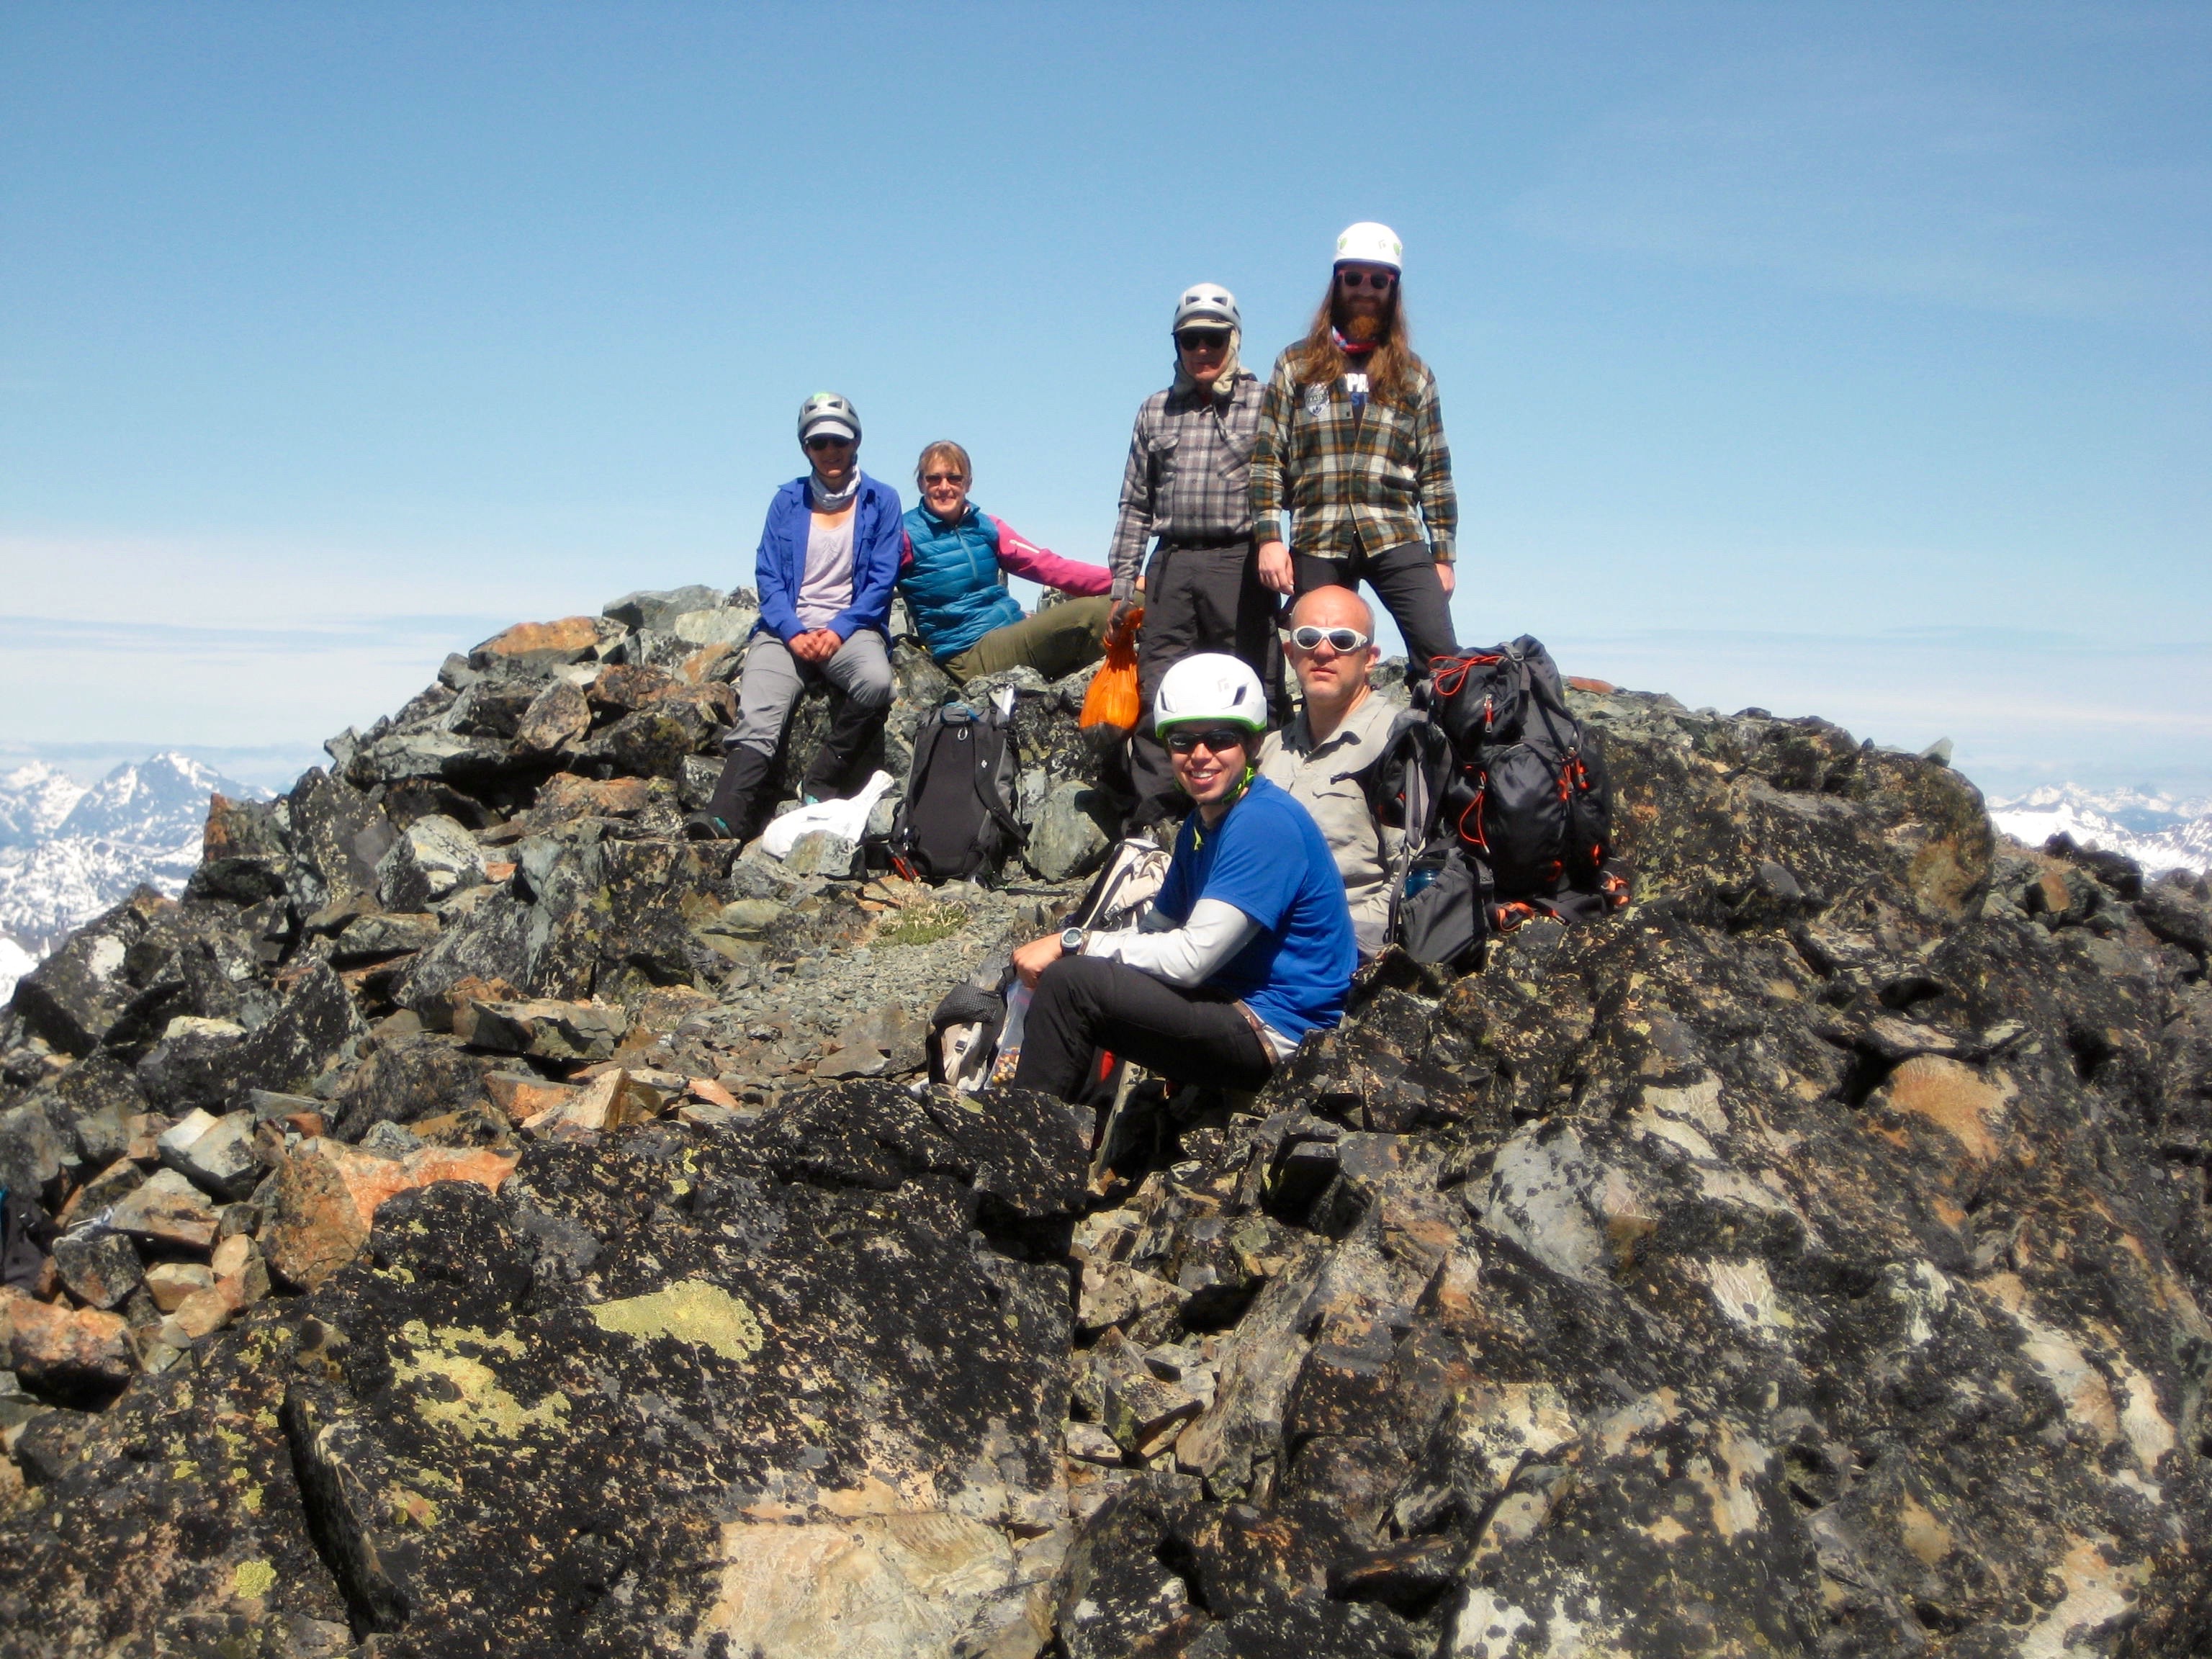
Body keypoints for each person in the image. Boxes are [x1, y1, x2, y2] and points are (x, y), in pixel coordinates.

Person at [1010, 654, 1355, 1101]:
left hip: (1280, 1030)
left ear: (1251, 746)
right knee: (1085, 975)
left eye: (1220, 739)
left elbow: (1191, 960)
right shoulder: (1201, 823)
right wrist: (1085, 952)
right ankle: (1070, 1125)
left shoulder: (1263, 823)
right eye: (1182, 741)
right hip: (1232, 1001)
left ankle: (1022, 1142)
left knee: (1072, 984)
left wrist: (1073, 943)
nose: (1200, 756)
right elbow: (1158, 930)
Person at [685, 392, 902, 842]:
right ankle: (725, 816)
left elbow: (883, 579)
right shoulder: (787, 500)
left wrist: (840, 629)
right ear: (806, 448)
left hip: (852, 628)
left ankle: (820, 780)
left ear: (856, 441)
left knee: (877, 682)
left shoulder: (883, 500)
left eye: (839, 441)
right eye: (819, 443)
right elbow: (768, 574)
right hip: (786, 632)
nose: (830, 451)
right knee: (760, 712)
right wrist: (792, 631)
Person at [1251, 222, 1459, 682]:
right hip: (1317, 534)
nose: (1366, 289)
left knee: (1442, 657)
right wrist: (1269, 538)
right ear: (1337, 283)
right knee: (1314, 658)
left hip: (1395, 532)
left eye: (1379, 281)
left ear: (1393, 289)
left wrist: (1443, 555)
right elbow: (1267, 459)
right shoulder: (1295, 364)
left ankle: (1452, 752)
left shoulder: (1415, 375)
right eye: (1354, 278)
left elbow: (1437, 471)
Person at [1107, 283, 1279, 831]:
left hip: (1242, 563)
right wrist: (1122, 581)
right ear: (1176, 344)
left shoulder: (1267, 401)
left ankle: (1258, 806)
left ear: (1234, 339)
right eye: (1190, 339)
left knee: (1254, 681)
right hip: (1172, 563)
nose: (1202, 350)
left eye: (1214, 338)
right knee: (1161, 684)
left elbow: (1291, 483)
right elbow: (1135, 502)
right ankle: (1158, 818)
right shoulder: (1154, 410)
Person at [1257, 587, 1401, 958]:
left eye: (1342, 640)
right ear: (1291, 654)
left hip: (1334, 957)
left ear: (1370, 658)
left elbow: (1411, 881)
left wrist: (1325, 945)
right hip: (1254, 940)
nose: (1323, 652)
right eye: (1308, 638)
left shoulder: (1396, 743)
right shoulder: (1271, 750)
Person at [899, 440, 1114, 683]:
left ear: (968, 483)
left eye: (954, 478)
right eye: (934, 479)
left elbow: (1046, 565)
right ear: (921, 484)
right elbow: (872, 582)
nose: (944, 487)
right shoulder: (905, 534)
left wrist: (1124, 581)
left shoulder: (985, 526)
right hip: (967, 652)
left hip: (1010, 632)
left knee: (1130, 602)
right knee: (1090, 615)